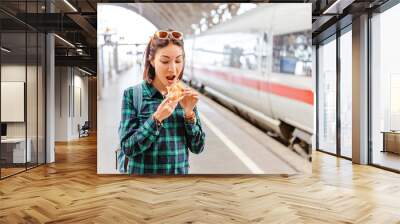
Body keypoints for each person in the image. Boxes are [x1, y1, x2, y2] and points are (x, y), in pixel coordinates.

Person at [118, 29, 205, 175]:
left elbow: (198, 148)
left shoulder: (185, 95)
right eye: (165, 61)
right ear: (151, 61)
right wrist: (156, 119)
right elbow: (128, 148)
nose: (173, 68)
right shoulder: (133, 95)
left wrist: (189, 114)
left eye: (178, 60)